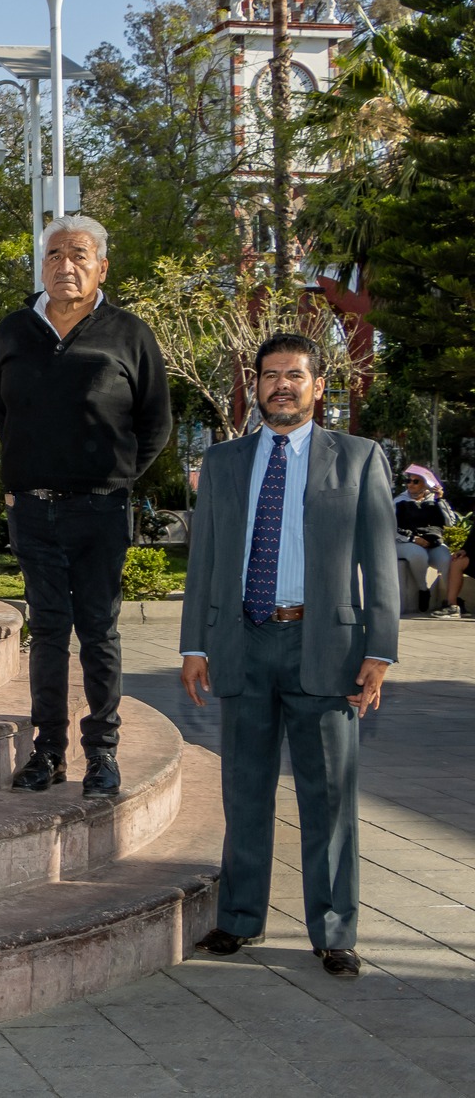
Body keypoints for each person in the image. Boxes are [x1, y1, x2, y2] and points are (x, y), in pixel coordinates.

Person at [181, 333, 398, 978]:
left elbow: (380, 562)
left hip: (326, 648)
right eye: (270, 375)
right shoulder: (223, 462)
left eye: (295, 375)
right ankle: (240, 918)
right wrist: (195, 644)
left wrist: (379, 651)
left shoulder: (358, 459)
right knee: (244, 789)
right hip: (241, 643)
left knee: (327, 795)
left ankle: (334, 930)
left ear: (318, 385)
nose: (282, 385)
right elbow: (206, 561)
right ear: (254, 386)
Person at [0, 215, 172, 799]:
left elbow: (156, 423)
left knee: (98, 631)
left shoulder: (129, 333)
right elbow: (4, 410)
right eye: (54, 254)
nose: (64, 265)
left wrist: (115, 476)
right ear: (42, 264)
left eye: (78, 255)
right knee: (46, 633)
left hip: (100, 509)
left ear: (101, 267)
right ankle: (47, 753)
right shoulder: (15, 330)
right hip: (32, 510)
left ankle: (103, 755)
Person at [393, 464, 457, 613]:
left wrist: (440, 500)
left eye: (416, 481)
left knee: (446, 559)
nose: (410, 484)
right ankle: (423, 589)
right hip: (404, 542)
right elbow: (390, 528)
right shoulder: (399, 502)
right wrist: (413, 539)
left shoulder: (434, 501)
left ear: (426, 485)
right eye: (408, 481)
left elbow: (450, 523)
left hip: (431, 542)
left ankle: (451, 602)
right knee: (417, 554)